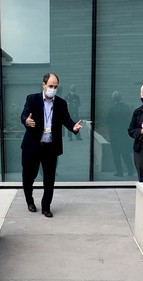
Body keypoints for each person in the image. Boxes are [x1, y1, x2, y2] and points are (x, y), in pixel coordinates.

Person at [20, 73, 82, 217]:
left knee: (49, 178)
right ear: (44, 85)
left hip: (50, 147)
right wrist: (26, 121)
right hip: (32, 146)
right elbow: (23, 115)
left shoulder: (61, 103)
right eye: (50, 86)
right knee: (29, 176)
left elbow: (66, 119)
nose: (53, 89)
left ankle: (46, 206)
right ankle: (29, 201)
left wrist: (73, 127)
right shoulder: (32, 99)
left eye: (55, 87)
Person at [106, 91, 135, 177]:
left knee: (116, 154)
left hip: (114, 135)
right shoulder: (126, 107)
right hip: (124, 134)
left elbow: (108, 121)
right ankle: (130, 171)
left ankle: (120, 172)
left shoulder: (112, 109)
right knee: (126, 153)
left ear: (113, 98)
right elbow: (130, 119)